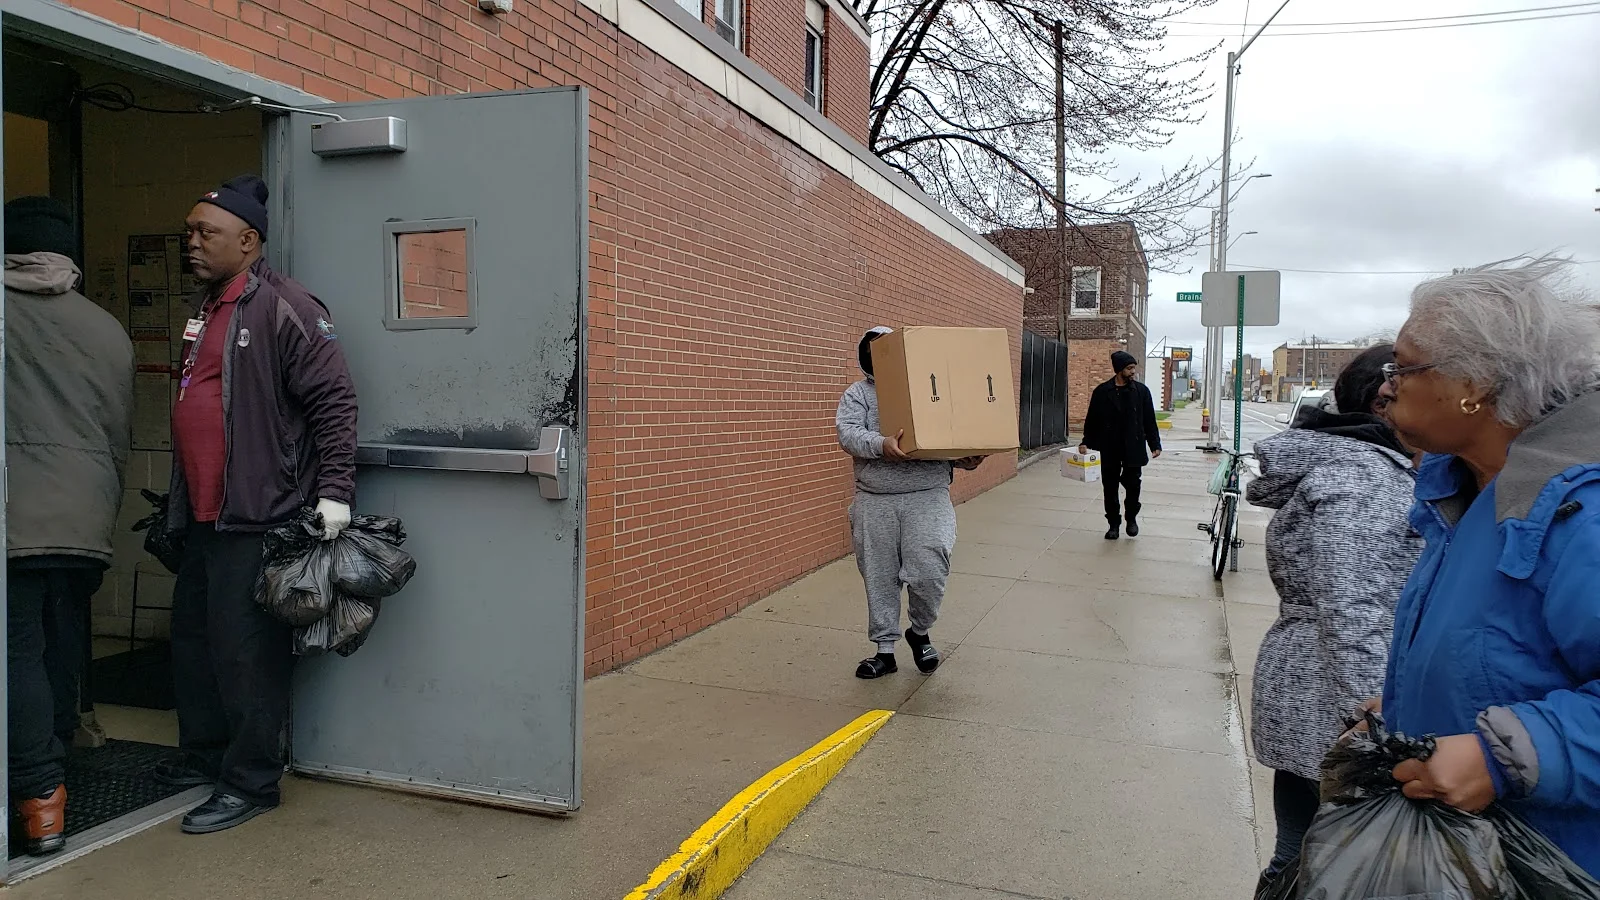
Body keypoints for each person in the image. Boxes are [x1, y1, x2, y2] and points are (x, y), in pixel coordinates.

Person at [1374, 256, 1600, 876]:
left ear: (1473, 385)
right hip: (1463, 857)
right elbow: (1495, 657)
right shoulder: (1468, 494)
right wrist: (1399, 707)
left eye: (1405, 366)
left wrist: (1503, 756)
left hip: (1548, 865)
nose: (1388, 384)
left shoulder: (1581, 517)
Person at [157, 175, 359, 835]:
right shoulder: (206, 308)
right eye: (188, 231)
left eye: (205, 232)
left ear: (248, 240)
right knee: (194, 641)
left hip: (260, 514)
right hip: (202, 514)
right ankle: (205, 755)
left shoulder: (285, 306)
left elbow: (334, 403)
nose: (191, 242)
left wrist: (335, 493)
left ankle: (251, 782)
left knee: (246, 655)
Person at [1244, 344, 1422, 891]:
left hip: (1314, 688)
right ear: (1382, 403)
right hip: (1333, 701)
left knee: (1304, 861)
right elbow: (1352, 609)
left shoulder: (1354, 467)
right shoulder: (1364, 478)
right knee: (1323, 870)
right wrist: (1383, 732)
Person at [3, 197, 134, 856]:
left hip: (15, 518)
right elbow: (119, 434)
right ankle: (58, 764)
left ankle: (37, 797)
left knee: (14, 652)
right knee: (60, 645)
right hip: (85, 517)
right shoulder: (107, 329)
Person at [836, 327, 983, 679]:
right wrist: (881, 444)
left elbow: (950, 434)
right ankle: (884, 651)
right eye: (873, 351)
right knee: (879, 576)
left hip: (927, 496)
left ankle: (920, 632)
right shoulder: (858, 394)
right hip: (876, 500)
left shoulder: (929, 388)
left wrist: (968, 458)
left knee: (930, 570)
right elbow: (848, 433)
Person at [1079, 350, 1161, 540]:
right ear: (1119, 369)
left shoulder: (1141, 391)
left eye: (1133, 368)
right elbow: (1092, 420)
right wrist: (1086, 442)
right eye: (1129, 368)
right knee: (1110, 487)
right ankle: (1113, 524)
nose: (1133, 371)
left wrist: (1154, 444)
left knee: (1133, 485)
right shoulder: (1102, 392)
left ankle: (1131, 518)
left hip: (1133, 446)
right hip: (1109, 447)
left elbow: (1149, 420)